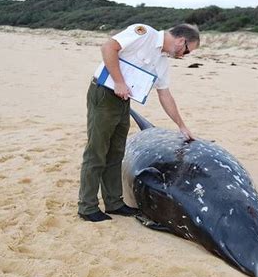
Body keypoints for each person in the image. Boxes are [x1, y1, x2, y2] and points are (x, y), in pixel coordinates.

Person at [78, 23, 200, 222]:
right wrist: (118, 81)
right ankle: (87, 206)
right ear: (180, 41)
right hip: (105, 94)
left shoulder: (162, 61)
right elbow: (109, 47)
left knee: (116, 151)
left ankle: (114, 202)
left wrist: (181, 125)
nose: (184, 56)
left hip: (124, 100)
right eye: (187, 51)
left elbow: (165, 95)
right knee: (97, 151)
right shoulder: (144, 33)